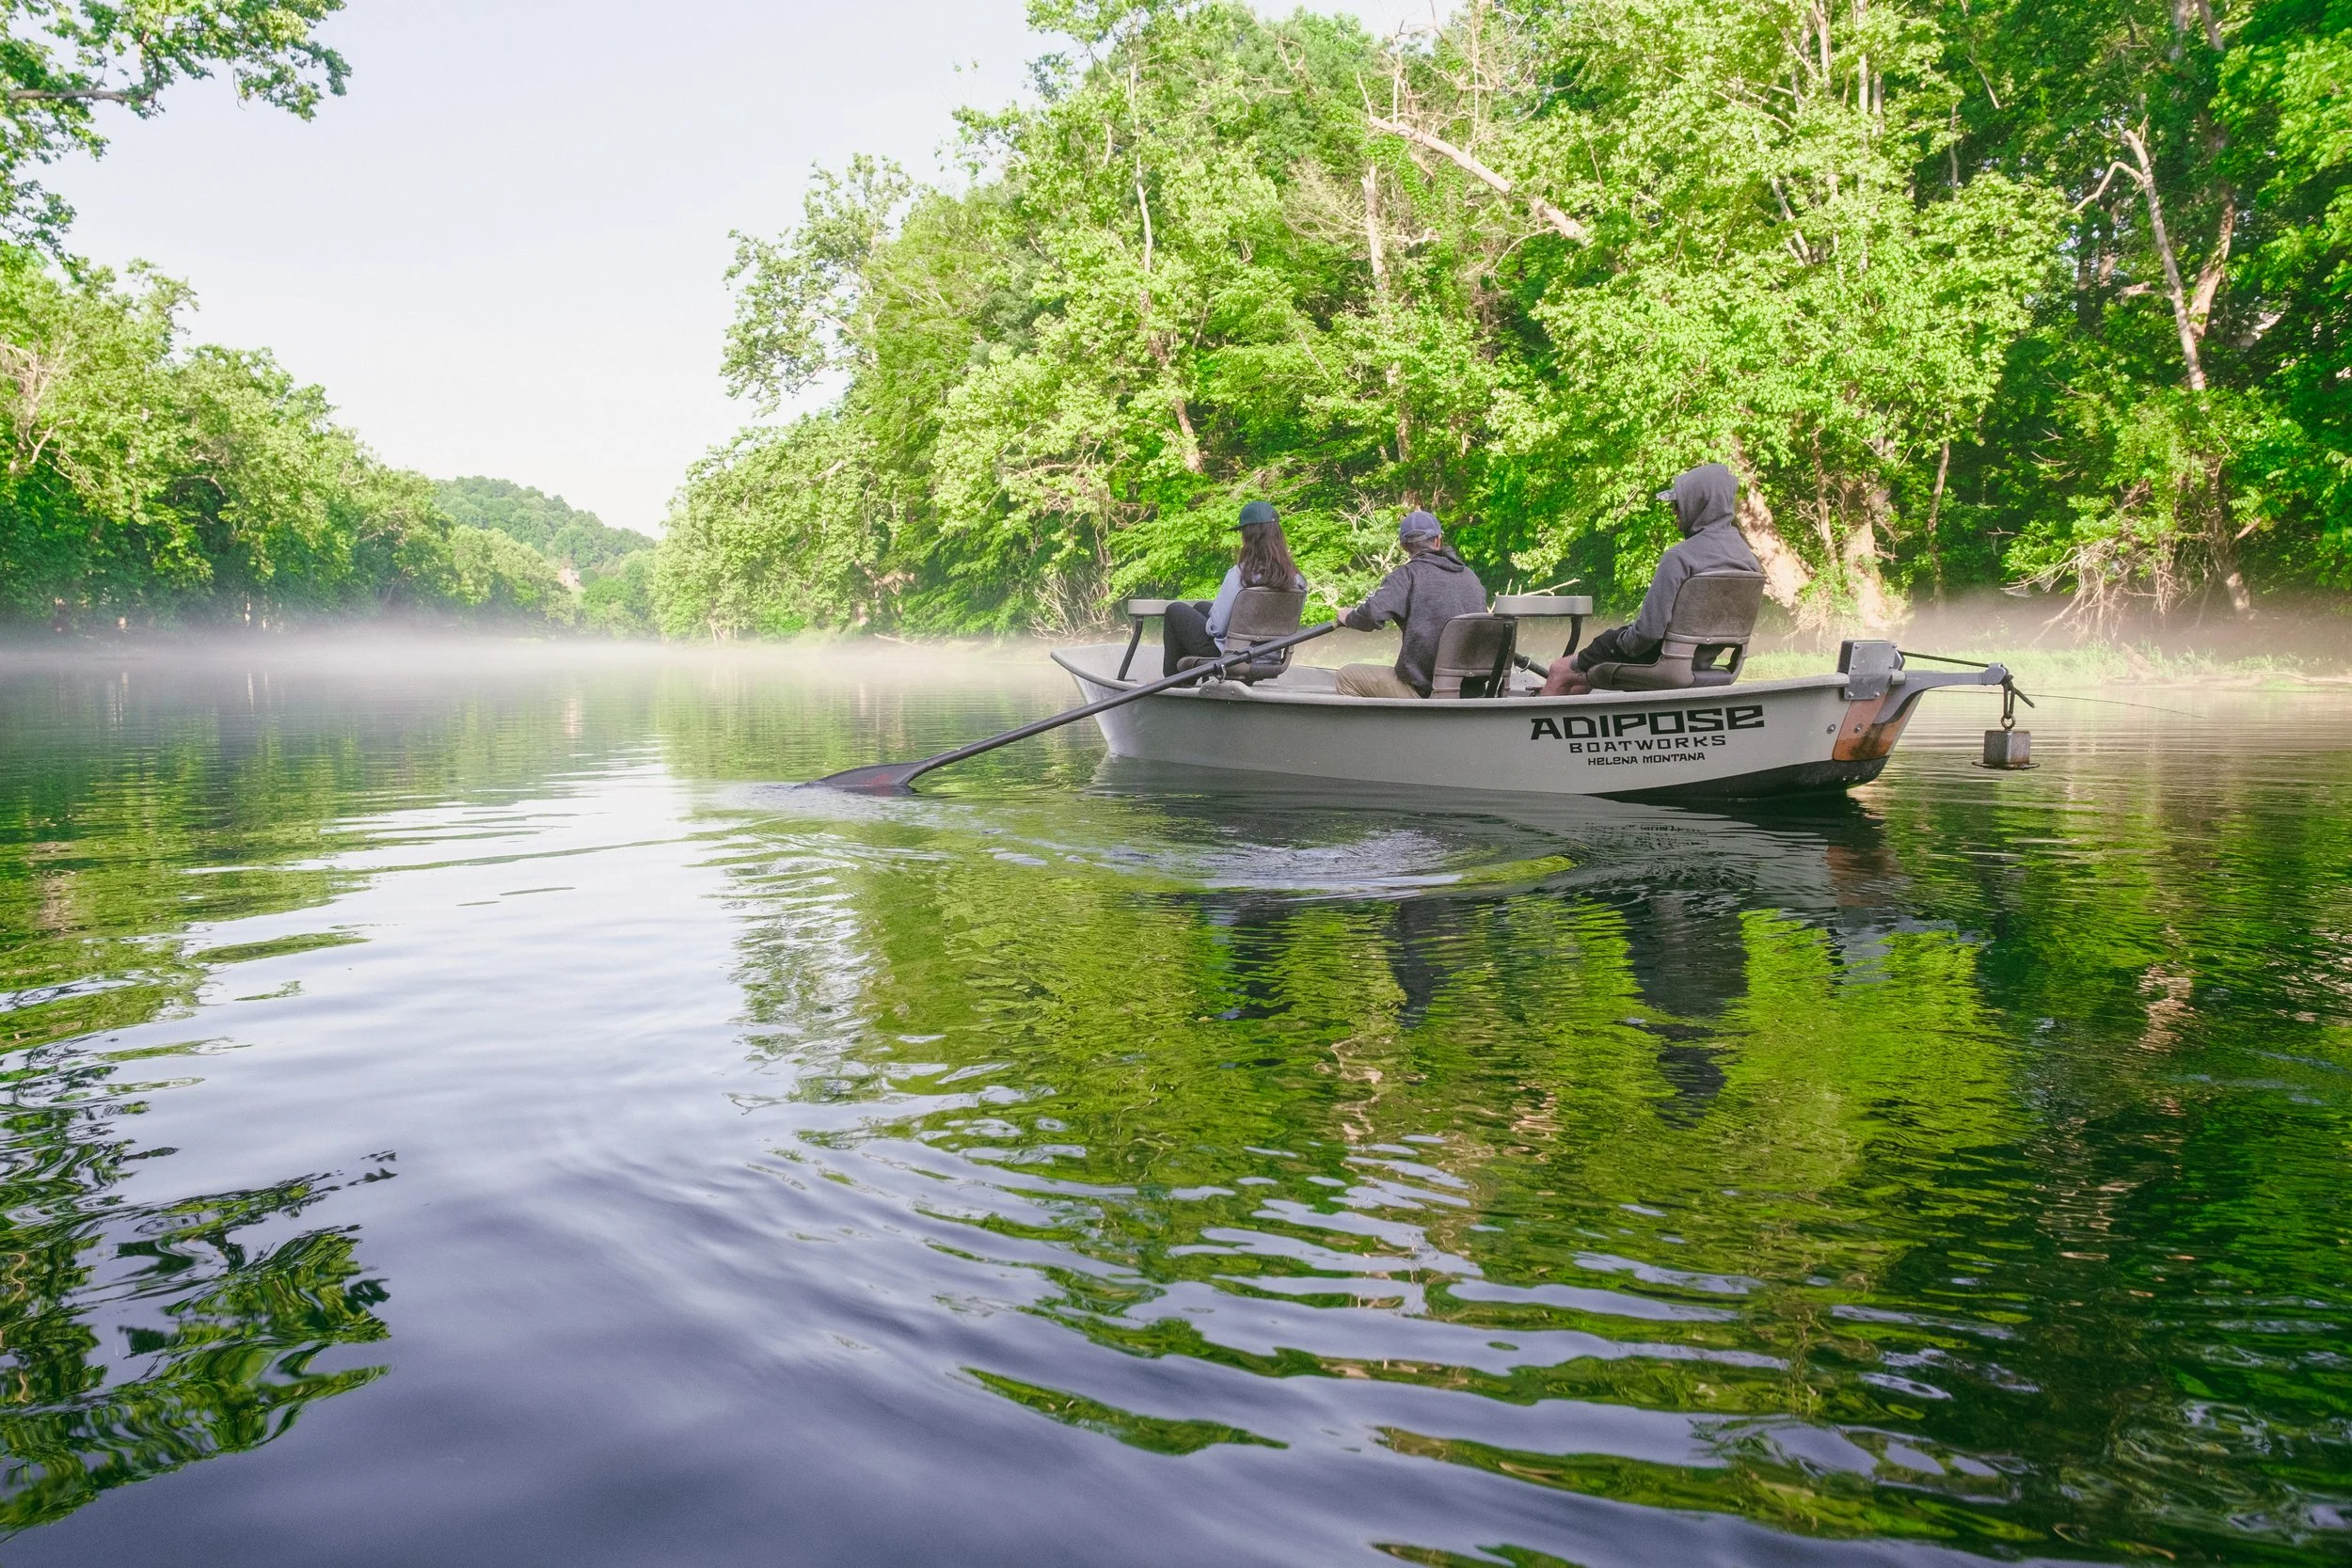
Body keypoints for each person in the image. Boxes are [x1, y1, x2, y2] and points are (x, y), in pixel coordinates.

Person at [1541, 462, 1762, 696]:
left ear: (1700, 504)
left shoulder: (1679, 558)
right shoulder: (1748, 560)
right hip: (1703, 661)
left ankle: (1539, 730)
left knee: (1560, 669)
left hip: (1659, 658)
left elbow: (1647, 633)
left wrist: (1618, 647)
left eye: (1678, 505)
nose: (1674, 512)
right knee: (1584, 675)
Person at [1334, 510, 1488, 698]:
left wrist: (1349, 617)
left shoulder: (1406, 576)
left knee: (1346, 677)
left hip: (1425, 691)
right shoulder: (1471, 577)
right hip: (1473, 690)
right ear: (1438, 541)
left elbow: (1372, 614)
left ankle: (1395, 726)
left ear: (1403, 546)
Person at [1162, 499, 1309, 675]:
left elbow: (1216, 628)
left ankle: (1172, 684)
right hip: (1270, 656)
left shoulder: (1239, 575)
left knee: (1175, 610)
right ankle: (1192, 682)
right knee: (1201, 606)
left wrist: (1210, 624)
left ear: (1248, 537)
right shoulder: (1297, 580)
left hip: (1233, 656)